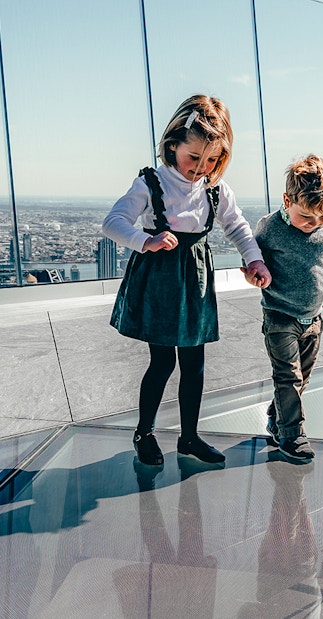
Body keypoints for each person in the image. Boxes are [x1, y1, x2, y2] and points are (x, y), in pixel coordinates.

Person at [102, 94, 271, 466]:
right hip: (160, 279)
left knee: (194, 364)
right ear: (172, 144)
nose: (201, 167)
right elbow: (113, 222)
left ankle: (189, 438)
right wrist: (146, 241)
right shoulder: (151, 183)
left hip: (194, 280)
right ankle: (144, 432)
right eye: (193, 157)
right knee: (162, 362)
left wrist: (254, 260)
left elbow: (238, 227)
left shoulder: (214, 188)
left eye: (211, 159)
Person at [242, 154, 323, 461]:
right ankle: (292, 435)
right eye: (307, 217)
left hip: (313, 319)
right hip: (279, 317)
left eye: (322, 217)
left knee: (302, 378)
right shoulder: (270, 227)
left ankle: (278, 415)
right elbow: (252, 259)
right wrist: (253, 274)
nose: (314, 224)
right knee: (288, 377)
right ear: (287, 200)